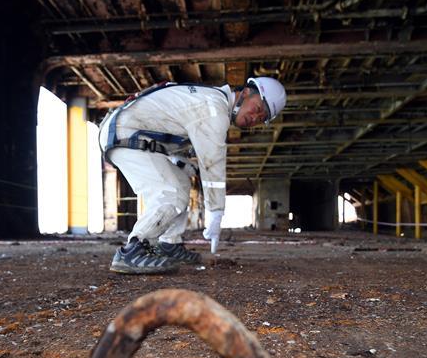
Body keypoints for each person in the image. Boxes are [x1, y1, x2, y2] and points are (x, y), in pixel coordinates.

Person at [99, 77, 287, 274]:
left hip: (135, 136)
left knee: (181, 184)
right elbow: (212, 161)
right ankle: (133, 249)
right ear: (246, 92)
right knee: (171, 192)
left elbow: (170, 136)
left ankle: (169, 244)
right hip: (125, 134)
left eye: (262, 118)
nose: (255, 117)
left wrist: (183, 164)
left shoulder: (210, 101)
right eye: (258, 108)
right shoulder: (214, 108)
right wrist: (216, 211)